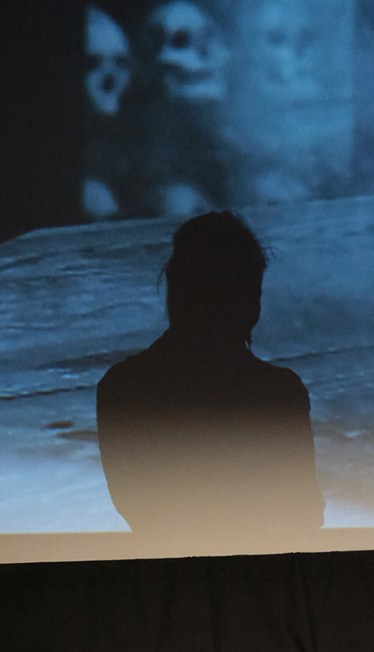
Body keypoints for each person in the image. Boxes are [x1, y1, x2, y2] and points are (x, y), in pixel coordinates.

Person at [96, 211, 325, 556]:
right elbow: (305, 512)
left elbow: (137, 506)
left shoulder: (122, 389)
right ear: (248, 301)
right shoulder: (280, 394)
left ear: (175, 291)